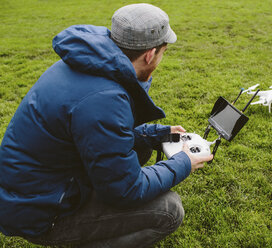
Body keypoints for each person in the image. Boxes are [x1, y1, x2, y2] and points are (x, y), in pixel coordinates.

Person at [0, 3, 213, 248]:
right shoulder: (104, 98)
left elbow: (99, 135)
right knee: (169, 210)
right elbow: (127, 190)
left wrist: (156, 133)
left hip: (31, 189)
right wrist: (183, 162)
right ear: (150, 54)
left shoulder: (86, 62)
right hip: (40, 211)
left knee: (140, 149)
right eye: (163, 53)